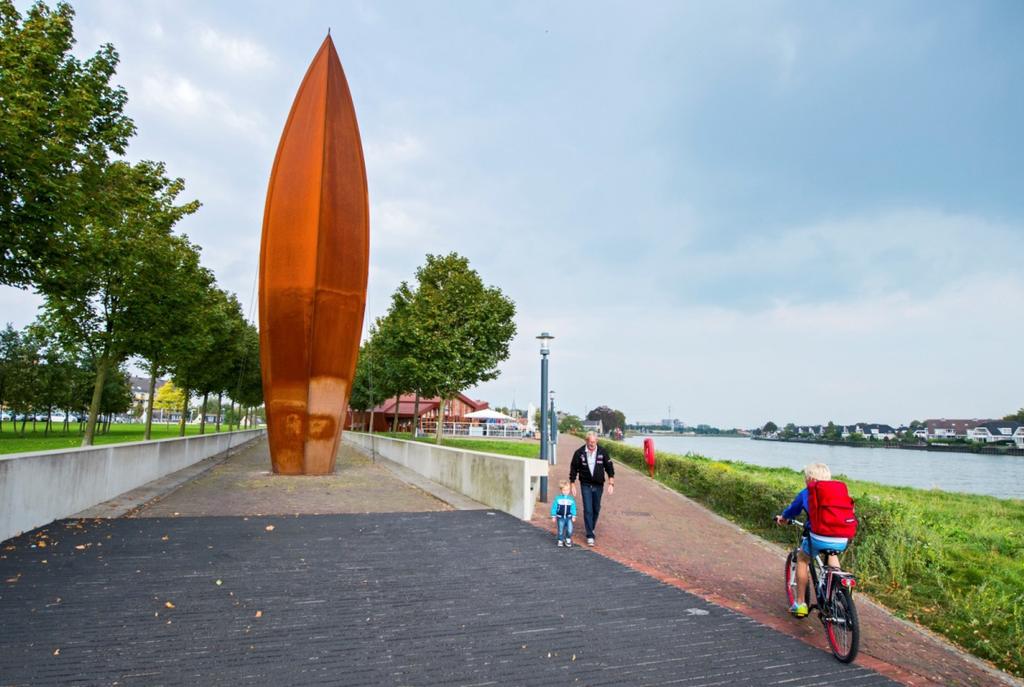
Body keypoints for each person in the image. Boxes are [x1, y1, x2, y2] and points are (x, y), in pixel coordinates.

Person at [774, 462, 849, 618]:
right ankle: (838, 589)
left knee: (802, 559)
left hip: (818, 537)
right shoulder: (839, 492)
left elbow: (792, 511)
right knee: (832, 555)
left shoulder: (807, 492)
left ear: (809, 479)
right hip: (842, 538)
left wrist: (783, 518)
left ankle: (800, 603)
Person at [569, 431, 615, 546]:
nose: (592, 444)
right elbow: (574, 468)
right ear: (586, 441)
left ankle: (591, 527)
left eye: (594, 442)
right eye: (590, 442)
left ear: (597, 441)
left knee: (596, 509)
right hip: (585, 484)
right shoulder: (579, 453)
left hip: (599, 485)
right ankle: (590, 535)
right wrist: (572, 483)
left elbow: (609, 467)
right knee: (588, 509)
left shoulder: (602, 452)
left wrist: (611, 482)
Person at [550, 480, 577, 547]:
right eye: (564, 490)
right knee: (560, 530)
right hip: (560, 517)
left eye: (567, 490)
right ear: (561, 490)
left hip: (569, 517)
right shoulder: (558, 499)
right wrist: (553, 516)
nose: (566, 492)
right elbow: (554, 507)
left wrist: (574, 516)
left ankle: (568, 539)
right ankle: (560, 540)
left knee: (570, 529)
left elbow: (573, 508)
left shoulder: (571, 499)